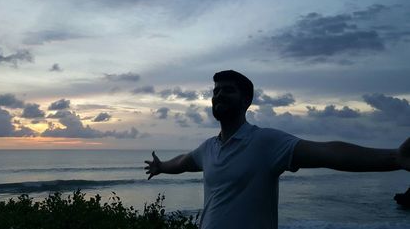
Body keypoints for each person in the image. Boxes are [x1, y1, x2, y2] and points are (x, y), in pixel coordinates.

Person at [144, 70, 410, 229]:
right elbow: (184, 162)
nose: (219, 95)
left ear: (247, 100)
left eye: (228, 90)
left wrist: (394, 158)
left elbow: (329, 152)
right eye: (215, 91)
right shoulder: (209, 148)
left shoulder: (265, 142)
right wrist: (162, 166)